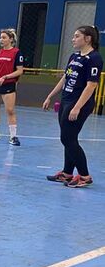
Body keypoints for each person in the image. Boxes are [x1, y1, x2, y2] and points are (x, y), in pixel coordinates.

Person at [43, 25, 102, 188]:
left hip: (79, 103)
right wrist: (50, 95)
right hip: (66, 101)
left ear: (87, 38)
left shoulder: (94, 58)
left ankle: (84, 176)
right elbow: (65, 78)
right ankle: (67, 173)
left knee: (67, 138)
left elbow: (91, 86)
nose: (73, 39)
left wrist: (77, 107)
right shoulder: (74, 56)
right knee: (68, 138)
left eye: (76, 36)